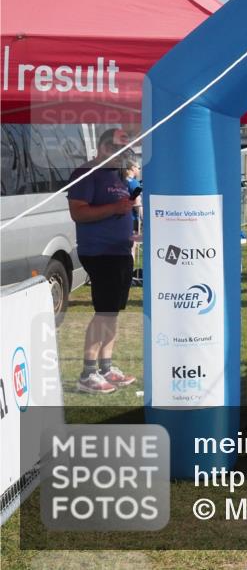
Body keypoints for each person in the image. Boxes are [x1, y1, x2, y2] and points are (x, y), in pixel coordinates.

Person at [67, 127, 138, 394]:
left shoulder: (117, 176)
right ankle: (88, 374)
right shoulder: (85, 174)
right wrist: (115, 209)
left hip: (120, 251)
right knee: (104, 312)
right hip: (100, 253)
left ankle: (106, 367)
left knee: (112, 313)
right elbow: (78, 213)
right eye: (119, 149)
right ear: (104, 148)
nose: (124, 156)